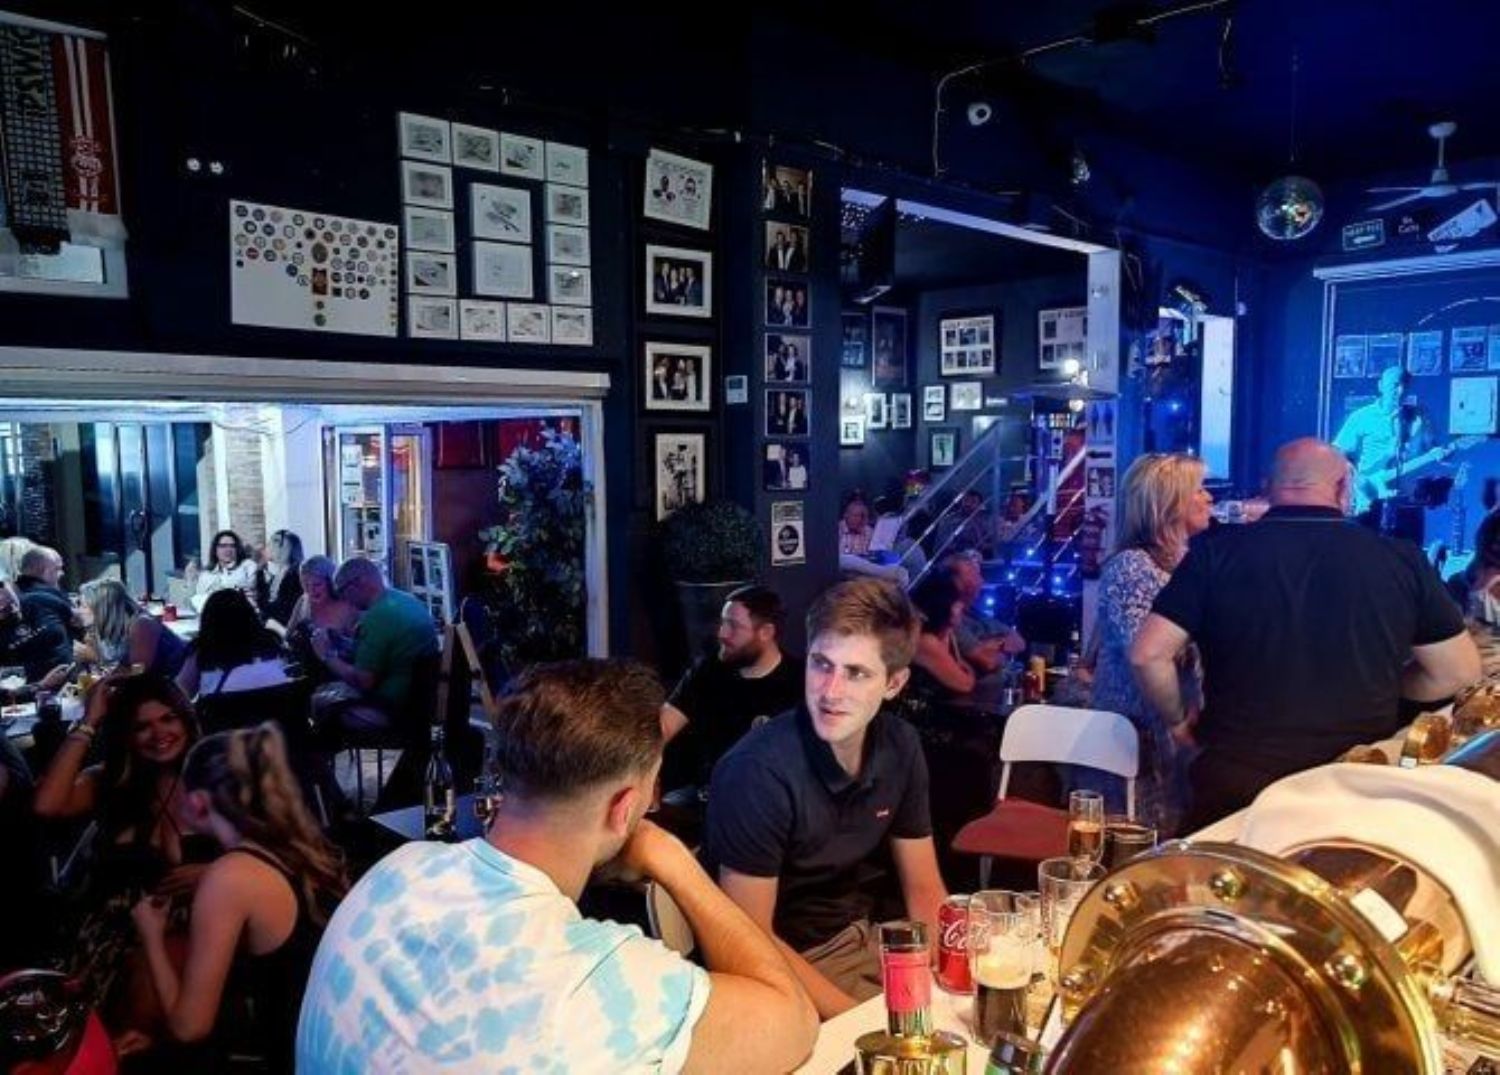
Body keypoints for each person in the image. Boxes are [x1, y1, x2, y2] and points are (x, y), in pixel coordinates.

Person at [296, 659, 818, 1072]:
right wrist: (675, 860)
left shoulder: (393, 872)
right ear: (624, 809)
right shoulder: (604, 983)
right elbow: (792, 1019)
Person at [1131, 438, 1481, 829]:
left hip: (1237, 783)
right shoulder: (1401, 559)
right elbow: (1457, 672)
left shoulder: (1214, 553)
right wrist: (1382, 683)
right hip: (1354, 781)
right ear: (1342, 487)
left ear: (1269, 486)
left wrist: (1178, 720)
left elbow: (1148, 654)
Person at [705, 578, 948, 1019]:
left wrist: (947, 975)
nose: (831, 692)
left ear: (894, 683)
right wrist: (859, 1023)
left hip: (868, 938)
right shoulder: (757, 771)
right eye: (821, 664)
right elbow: (747, 941)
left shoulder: (901, 745)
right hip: (786, 966)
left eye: (856, 673)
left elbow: (924, 887)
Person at [130, 723, 344, 1069]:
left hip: (299, 1058)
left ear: (198, 802)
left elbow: (189, 1028)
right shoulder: (300, 845)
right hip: (337, 1043)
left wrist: (151, 935)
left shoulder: (229, 877)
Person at [33, 673, 207, 1030]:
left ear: (186, 718)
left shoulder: (215, 775)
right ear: (126, 735)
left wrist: (213, 874)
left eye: (168, 719)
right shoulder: (110, 781)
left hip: (192, 931)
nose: (158, 734)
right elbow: (47, 805)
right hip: (107, 936)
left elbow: (275, 851)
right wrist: (89, 721)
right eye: (142, 726)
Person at [1087, 454, 1212, 836]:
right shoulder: (1132, 568)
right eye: (1199, 490)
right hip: (1137, 739)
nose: (1209, 498)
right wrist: (1177, 721)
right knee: (1140, 844)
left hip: (1171, 733)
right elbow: (1149, 653)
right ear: (1169, 502)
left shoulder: (1189, 562)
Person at [661, 586, 804, 790]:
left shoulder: (799, 683)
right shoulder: (708, 670)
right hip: (707, 793)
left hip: (769, 796)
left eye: (733, 626)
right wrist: (637, 771)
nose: (722, 633)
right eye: (723, 622)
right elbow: (664, 726)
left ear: (766, 632)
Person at [310, 556, 439, 733]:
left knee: (319, 700)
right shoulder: (407, 600)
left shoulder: (377, 617)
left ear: (359, 583)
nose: (345, 600)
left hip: (392, 708)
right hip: (421, 702)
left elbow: (362, 681)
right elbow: (387, 653)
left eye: (342, 591)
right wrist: (343, 643)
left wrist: (326, 654)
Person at [1333, 365, 1433, 515]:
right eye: (1395, 385)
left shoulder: (1417, 419)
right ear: (1381, 386)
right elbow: (1338, 453)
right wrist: (1359, 481)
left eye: (1405, 385)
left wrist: (1444, 454)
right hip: (1370, 501)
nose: (1401, 391)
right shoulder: (1361, 417)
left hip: (1408, 503)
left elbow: (1430, 450)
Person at [176, 589, 289, 700]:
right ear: (250, 615)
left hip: (219, 709)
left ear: (208, 621)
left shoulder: (203, 652)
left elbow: (181, 695)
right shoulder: (271, 646)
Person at [81, 579, 189, 680]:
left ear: (102, 609)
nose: (80, 611)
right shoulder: (115, 630)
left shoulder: (141, 625)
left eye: (84, 606)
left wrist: (98, 659)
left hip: (178, 686)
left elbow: (138, 674)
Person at [942, 552, 1025, 675]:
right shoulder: (950, 618)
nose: (981, 581)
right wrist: (1000, 649)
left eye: (978, 575)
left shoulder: (974, 612)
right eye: (974, 576)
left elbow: (1019, 641)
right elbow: (986, 662)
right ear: (957, 582)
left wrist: (994, 645)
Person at [283, 555, 359, 681]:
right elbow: (288, 637)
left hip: (338, 679)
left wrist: (333, 642)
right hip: (306, 677)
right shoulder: (303, 601)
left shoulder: (347, 606)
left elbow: (357, 654)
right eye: (305, 585)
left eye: (317, 584)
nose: (311, 590)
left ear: (331, 583)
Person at [15, 545, 84, 681]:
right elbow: (80, 634)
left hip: (20, 683)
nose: (62, 573)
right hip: (59, 681)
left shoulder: (12, 599)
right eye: (57, 569)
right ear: (42, 570)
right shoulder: (53, 600)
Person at [907, 571, 978, 697]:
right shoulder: (925, 641)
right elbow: (965, 684)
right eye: (958, 601)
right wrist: (969, 670)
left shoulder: (942, 633)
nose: (963, 606)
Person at [256, 529, 305, 634]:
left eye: (269, 545)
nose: (265, 549)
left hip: (285, 632)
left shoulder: (293, 577)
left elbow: (281, 610)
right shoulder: (280, 574)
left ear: (281, 549)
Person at [190, 531, 257, 606]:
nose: (228, 550)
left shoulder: (247, 566)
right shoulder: (206, 574)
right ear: (215, 549)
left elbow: (251, 588)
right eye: (223, 546)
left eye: (232, 546)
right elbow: (198, 599)